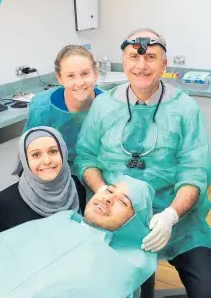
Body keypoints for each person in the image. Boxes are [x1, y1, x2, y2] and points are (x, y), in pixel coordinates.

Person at [75, 28, 211, 298]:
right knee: (131, 290)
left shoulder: (185, 110)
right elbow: (86, 157)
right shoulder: (103, 106)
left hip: (177, 222)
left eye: (150, 57)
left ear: (163, 64)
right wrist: (101, 188)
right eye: (133, 57)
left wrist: (171, 215)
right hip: (116, 220)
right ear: (124, 62)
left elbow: (194, 173)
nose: (141, 65)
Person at [0, 176, 157, 298]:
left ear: (134, 221)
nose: (108, 198)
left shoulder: (119, 271)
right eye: (109, 190)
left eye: (123, 201)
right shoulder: (59, 221)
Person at [0, 126, 86, 243]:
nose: (47, 161)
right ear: (25, 160)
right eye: (36, 155)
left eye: (53, 151)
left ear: (63, 153)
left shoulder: (78, 187)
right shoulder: (0, 206)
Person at [20, 45, 102, 174]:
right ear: (59, 78)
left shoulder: (111, 107)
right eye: (71, 76)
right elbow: (29, 153)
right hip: (55, 176)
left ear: (95, 74)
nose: (79, 82)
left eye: (85, 74)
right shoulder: (42, 108)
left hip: (100, 176)